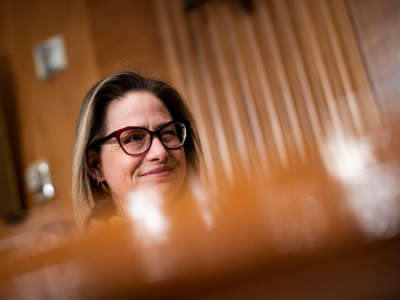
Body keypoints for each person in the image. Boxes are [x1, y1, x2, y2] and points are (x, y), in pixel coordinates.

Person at [72, 71, 202, 228]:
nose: (160, 152)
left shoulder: (227, 225)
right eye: (133, 138)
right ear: (96, 166)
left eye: (168, 133)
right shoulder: (98, 251)